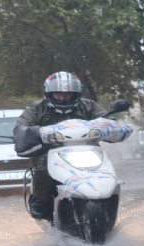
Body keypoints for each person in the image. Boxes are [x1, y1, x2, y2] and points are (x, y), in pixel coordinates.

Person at [13, 71, 110, 221]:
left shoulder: (89, 106)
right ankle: (40, 201)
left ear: (76, 94)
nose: (63, 98)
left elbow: (107, 120)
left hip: (88, 150)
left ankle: (109, 194)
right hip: (50, 152)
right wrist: (32, 133)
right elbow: (21, 127)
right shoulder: (36, 109)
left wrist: (112, 125)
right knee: (42, 166)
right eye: (58, 94)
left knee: (105, 165)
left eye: (68, 94)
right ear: (49, 93)